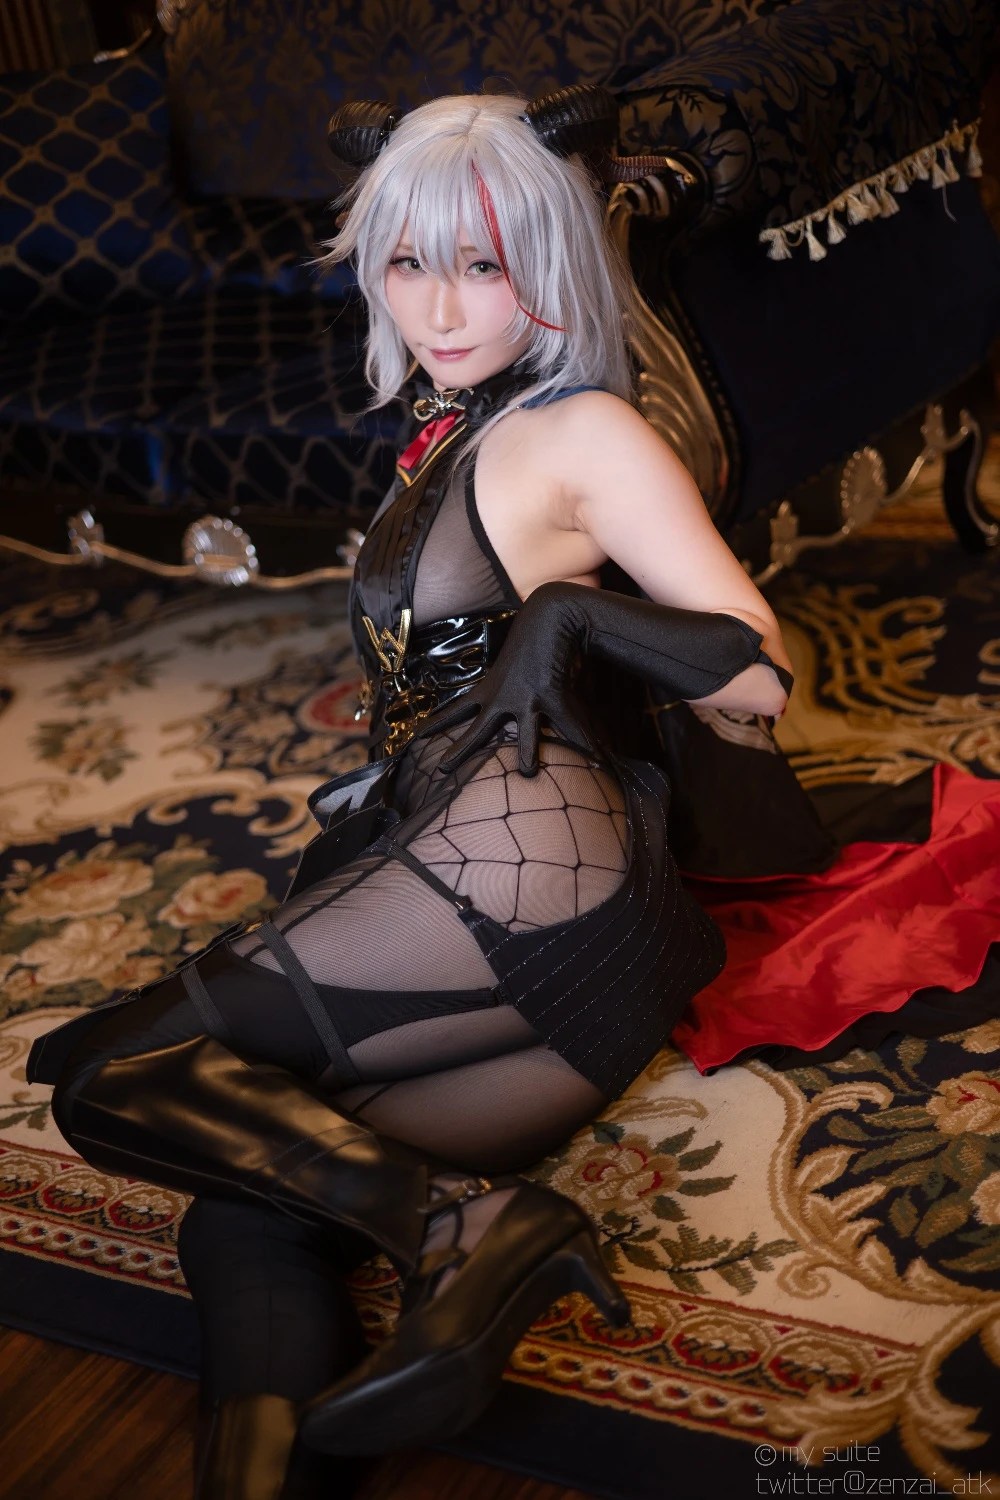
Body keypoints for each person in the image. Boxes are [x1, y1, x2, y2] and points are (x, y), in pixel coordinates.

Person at [26, 83, 996, 1500]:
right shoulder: (454, 419)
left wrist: (569, 617)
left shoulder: (587, 428)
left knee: (107, 1069)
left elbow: (759, 675)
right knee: (242, 1211)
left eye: (481, 264)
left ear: (549, 262)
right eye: (407, 262)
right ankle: (421, 1278)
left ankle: (473, 1232)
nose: (438, 305)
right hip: (549, 963)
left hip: (536, 878)